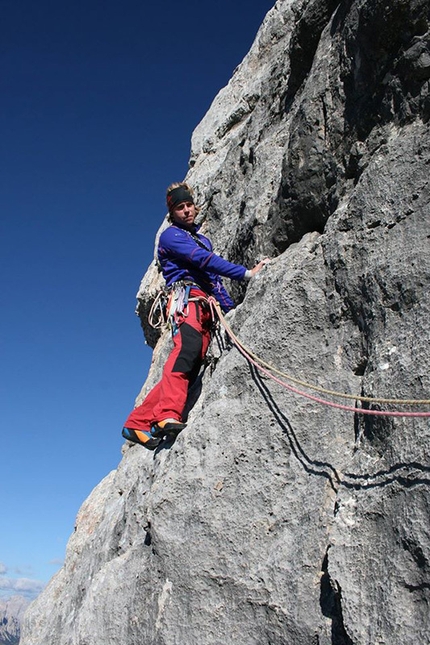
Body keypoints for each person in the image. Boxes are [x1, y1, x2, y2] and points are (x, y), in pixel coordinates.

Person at [122, 182, 269, 450]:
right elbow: (203, 261)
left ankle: (138, 422)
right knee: (186, 351)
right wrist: (247, 274)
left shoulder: (201, 238)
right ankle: (167, 413)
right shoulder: (171, 237)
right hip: (187, 300)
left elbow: (212, 279)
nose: (187, 211)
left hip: (205, 305)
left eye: (189, 205)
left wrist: (230, 309)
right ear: (172, 212)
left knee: (189, 365)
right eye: (180, 207)